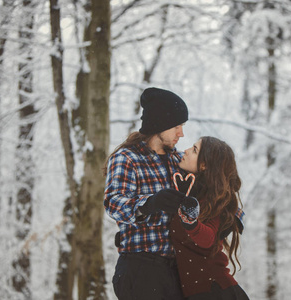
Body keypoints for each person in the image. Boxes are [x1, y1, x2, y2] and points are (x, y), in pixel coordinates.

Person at [104, 87, 189, 300]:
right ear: (160, 123)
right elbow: (114, 203)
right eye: (177, 126)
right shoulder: (127, 158)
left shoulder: (178, 161)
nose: (181, 133)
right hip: (142, 269)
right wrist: (149, 203)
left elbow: (211, 188)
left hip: (177, 271)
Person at [170, 136, 249, 300]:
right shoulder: (194, 193)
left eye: (194, 150)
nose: (186, 150)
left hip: (214, 290)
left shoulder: (214, 202)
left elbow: (208, 239)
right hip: (197, 291)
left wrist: (191, 222)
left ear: (204, 165)